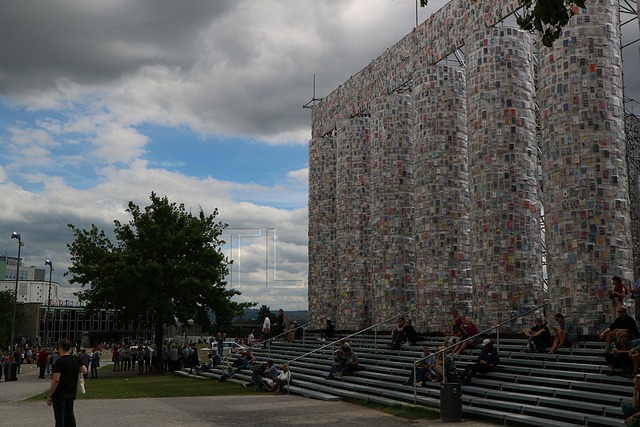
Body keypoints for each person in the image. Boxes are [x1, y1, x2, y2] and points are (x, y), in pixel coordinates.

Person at [47, 339, 88, 427]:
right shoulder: (76, 359)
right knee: (69, 415)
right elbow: (84, 370)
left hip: (60, 392)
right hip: (71, 391)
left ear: (60, 348)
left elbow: (56, 380)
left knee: (60, 417)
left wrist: (50, 395)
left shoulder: (60, 361)